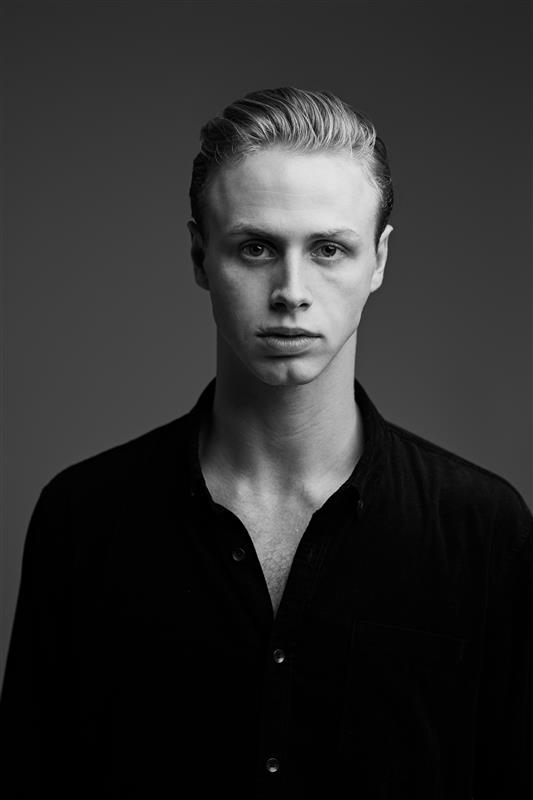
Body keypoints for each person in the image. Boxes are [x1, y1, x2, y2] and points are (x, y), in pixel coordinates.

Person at [0, 87, 531, 799]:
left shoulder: (483, 529)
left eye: (328, 249)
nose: (291, 291)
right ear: (200, 255)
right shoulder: (83, 519)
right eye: (255, 248)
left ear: (377, 260)